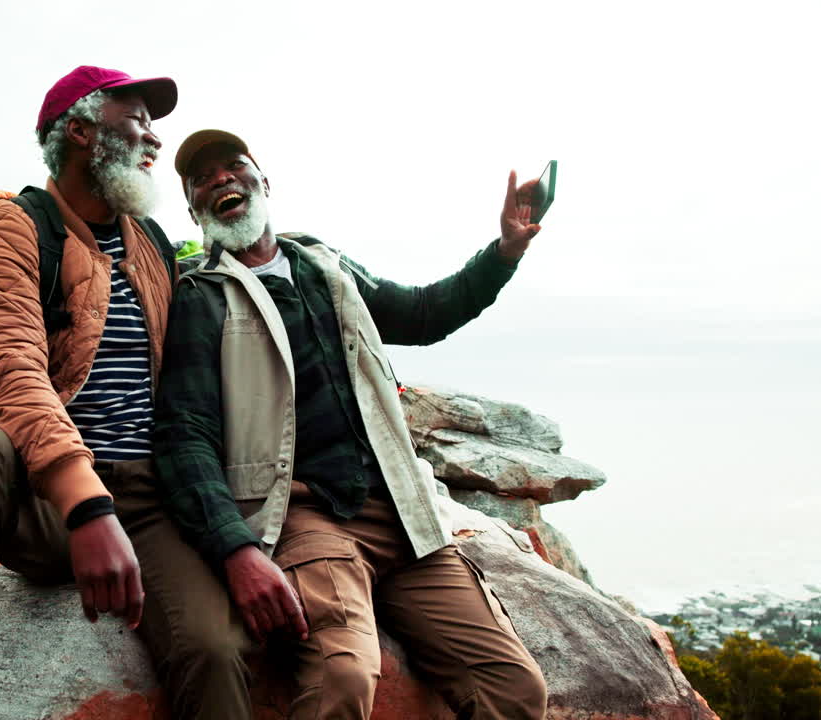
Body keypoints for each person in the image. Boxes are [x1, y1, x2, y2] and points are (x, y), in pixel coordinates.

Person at [152, 129, 549, 719]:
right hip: (307, 516)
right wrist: (235, 549)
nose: (221, 180)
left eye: (233, 165)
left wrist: (505, 251)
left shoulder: (325, 264)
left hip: (401, 513)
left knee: (514, 688)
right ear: (193, 211)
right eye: (201, 179)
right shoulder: (201, 296)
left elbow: (422, 313)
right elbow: (185, 435)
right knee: (342, 677)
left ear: (264, 182)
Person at [0, 68, 247, 720]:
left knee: (215, 650)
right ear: (81, 132)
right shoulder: (10, 227)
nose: (155, 141)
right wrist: (86, 507)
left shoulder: (150, 244)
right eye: (138, 121)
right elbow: (9, 370)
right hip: (42, 498)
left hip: (146, 502)